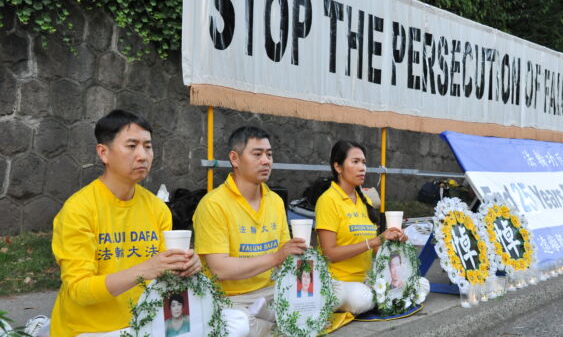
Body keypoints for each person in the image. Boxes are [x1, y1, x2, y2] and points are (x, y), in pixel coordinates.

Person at [49, 110, 201, 337]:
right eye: (132, 146)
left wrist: (187, 265)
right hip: (86, 330)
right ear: (104, 153)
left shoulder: (157, 208)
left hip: (144, 325)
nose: (143, 155)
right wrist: (145, 269)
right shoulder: (78, 210)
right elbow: (79, 290)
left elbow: (165, 274)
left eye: (148, 146)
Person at [193, 126, 307, 337]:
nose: (266, 161)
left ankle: (266, 320)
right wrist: (276, 257)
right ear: (235, 159)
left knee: (322, 299)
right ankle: (270, 326)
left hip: (271, 292)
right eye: (257, 154)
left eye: (269, 154)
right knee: (237, 326)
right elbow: (220, 269)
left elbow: (286, 254)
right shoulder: (213, 204)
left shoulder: (274, 201)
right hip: (230, 297)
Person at [315, 140, 429, 315]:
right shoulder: (328, 200)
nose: (362, 168)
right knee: (363, 299)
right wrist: (375, 240)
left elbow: (376, 250)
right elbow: (330, 254)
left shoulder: (365, 201)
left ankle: (386, 296)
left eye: (364, 162)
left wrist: (396, 243)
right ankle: (386, 297)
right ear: (338, 167)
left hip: (367, 279)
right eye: (355, 162)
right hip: (337, 281)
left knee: (422, 284)